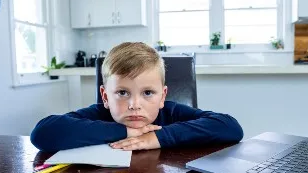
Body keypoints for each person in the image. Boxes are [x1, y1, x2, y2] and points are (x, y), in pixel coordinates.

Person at [30, 42, 243, 152]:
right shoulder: (101, 113)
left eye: (148, 93)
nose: (134, 105)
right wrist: (127, 131)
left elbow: (230, 127)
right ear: (105, 96)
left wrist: (158, 137)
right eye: (122, 93)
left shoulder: (170, 111)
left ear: (162, 96)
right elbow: (42, 132)